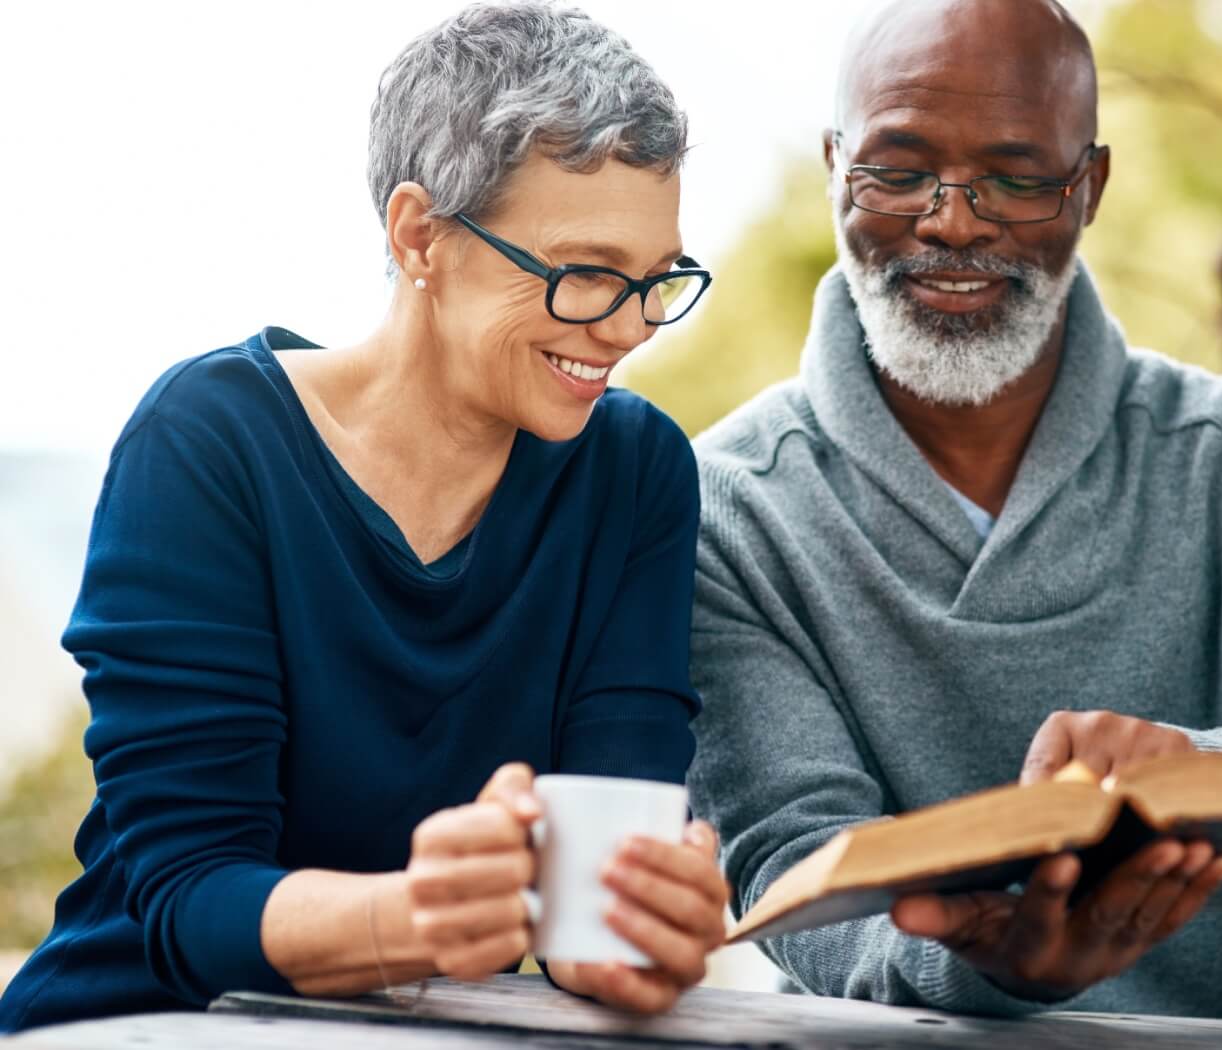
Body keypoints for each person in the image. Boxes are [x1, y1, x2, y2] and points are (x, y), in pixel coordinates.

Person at [686, 0, 1222, 1023]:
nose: (954, 220)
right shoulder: (727, 510)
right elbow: (790, 872)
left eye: (1017, 178)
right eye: (897, 169)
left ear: (1090, 187)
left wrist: (1196, 781)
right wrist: (977, 964)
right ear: (836, 163)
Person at [0, 2, 728, 1033]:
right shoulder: (211, 443)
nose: (626, 329)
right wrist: (416, 915)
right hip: (139, 1019)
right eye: (585, 277)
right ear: (420, 234)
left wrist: (634, 929)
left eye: (657, 282)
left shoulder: (637, 472)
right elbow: (186, 900)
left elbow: (590, 908)